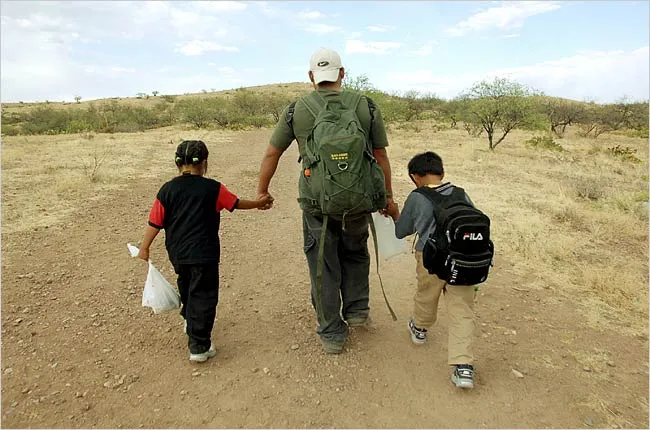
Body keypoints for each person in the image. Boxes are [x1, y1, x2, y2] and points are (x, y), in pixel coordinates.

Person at [256, 47, 397, 354]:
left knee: (322, 263)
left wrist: (262, 191)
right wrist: (387, 196)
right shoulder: (366, 106)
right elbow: (381, 154)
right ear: (342, 74)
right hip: (359, 199)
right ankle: (358, 311)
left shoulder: (297, 109)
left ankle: (332, 332)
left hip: (317, 202)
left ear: (311, 77)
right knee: (356, 252)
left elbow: (272, 153)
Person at [137, 140, 272, 363]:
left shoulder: (167, 189)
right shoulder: (213, 188)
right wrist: (259, 204)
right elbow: (236, 203)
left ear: (177, 164)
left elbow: (155, 221)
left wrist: (145, 247)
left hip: (178, 253)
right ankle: (199, 345)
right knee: (204, 295)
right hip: (204, 253)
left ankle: (190, 321)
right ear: (205, 163)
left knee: (187, 285)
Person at [386, 151, 478, 389]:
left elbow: (401, 230)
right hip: (464, 259)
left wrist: (395, 212)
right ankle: (463, 368)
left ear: (414, 177)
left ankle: (419, 329)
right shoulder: (460, 193)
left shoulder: (417, 197)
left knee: (427, 296)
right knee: (462, 310)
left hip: (431, 258)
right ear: (442, 173)